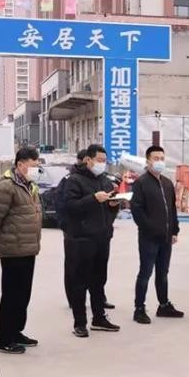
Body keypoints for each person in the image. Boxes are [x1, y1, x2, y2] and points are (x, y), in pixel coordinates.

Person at [0, 146, 42, 354]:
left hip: (29, 248)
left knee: (23, 295)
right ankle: (4, 338)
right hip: (12, 249)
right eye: (33, 165)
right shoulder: (7, 186)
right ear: (20, 165)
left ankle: (16, 331)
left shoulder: (30, 185)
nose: (36, 169)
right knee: (11, 295)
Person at [64, 144, 121, 337]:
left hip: (102, 238)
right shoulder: (74, 180)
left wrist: (113, 205)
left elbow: (108, 209)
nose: (102, 164)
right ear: (88, 160)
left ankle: (99, 318)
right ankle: (80, 323)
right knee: (79, 282)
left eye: (105, 161)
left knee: (99, 281)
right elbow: (70, 207)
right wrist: (93, 199)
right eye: (99, 160)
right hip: (81, 239)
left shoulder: (104, 180)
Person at [130, 145, 184, 324]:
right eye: (156, 158)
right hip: (149, 238)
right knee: (145, 273)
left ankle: (164, 305)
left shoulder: (167, 183)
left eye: (162, 158)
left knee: (163, 273)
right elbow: (137, 210)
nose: (159, 161)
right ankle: (139, 308)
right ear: (148, 161)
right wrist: (150, 228)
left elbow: (172, 210)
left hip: (166, 238)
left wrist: (174, 230)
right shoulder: (141, 183)